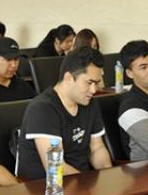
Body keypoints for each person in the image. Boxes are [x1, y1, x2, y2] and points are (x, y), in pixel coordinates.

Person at [17, 46, 112, 180]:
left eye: (96, 83)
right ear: (68, 78)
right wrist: (86, 185)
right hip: (46, 187)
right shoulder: (43, 108)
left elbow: (97, 148)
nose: (93, 90)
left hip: (81, 182)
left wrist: (109, 177)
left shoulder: (89, 102)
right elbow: (55, 166)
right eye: (89, 82)